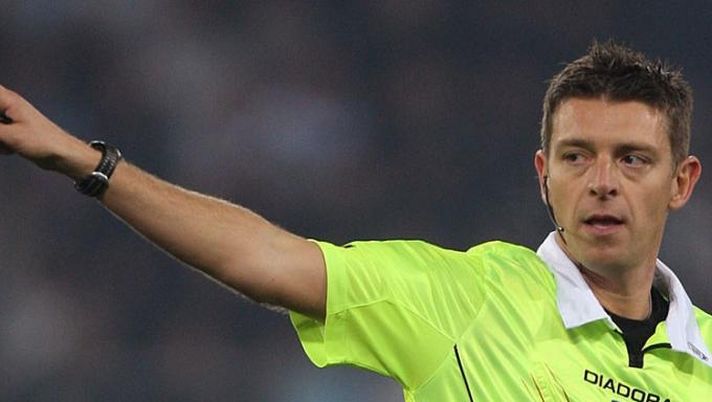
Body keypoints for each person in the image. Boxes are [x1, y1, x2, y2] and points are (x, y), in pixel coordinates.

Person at [0, 40, 710, 401]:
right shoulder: (466, 297)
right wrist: (87, 162)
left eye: (633, 160)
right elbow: (266, 260)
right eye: (577, 157)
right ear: (543, 174)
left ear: (680, 182)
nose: (602, 183)